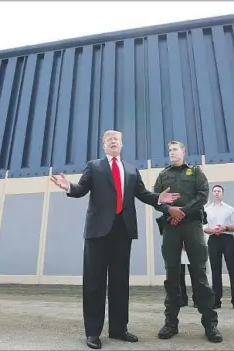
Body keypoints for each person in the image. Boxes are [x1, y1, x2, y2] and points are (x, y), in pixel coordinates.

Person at [50, 130, 182, 349]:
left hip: (123, 231)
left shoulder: (131, 169)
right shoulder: (94, 166)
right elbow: (81, 189)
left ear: (121, 145)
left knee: (120, 283)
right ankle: (92, 332)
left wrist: (159, 198)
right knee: (94, 283)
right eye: (109, 140)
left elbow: (142, 194)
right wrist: (69, 187)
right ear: (104, 146)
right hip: (97, 232)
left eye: (117, 140)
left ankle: (119, 329)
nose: (113, 142)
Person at [154, 140, 223, 343]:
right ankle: (170, 324)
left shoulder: (195, 172)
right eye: (169, 150)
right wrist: (169, 211)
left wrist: (182, 211)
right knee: (172, 275)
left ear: (184, 151)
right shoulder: (163, 175)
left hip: (192, 225)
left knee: (199, 275)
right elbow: (156, 199)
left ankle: (210, 325)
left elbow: (202, 196)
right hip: (170, 227)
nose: (172, 153)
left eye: (175, 149)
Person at [203, 185, 234, 311]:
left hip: (228, 239)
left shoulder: (229, 209)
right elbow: (204, 227)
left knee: (233, 270)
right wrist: (212, 230)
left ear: (223, 193)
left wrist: (225, 228)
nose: (216, 193)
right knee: (215, 271)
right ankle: (216, 301)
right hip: (214, 239)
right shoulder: (207, 210)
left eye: (219, 191)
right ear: (212, 193)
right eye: (214, 191)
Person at [180, 242, 197, 308]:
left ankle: (197, 299)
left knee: (194, 274)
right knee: (179, 274)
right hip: (178, 247)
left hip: (192, 245)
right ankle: (182, 299)